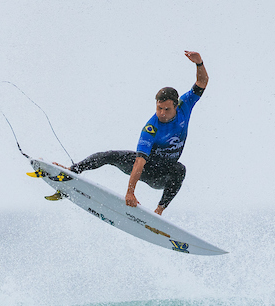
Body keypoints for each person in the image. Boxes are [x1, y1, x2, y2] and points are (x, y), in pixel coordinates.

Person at [60, 51, 208, 216]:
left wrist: (199, 63)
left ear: (176, 105)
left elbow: (202, 82)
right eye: (159, 108)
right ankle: (72, 171)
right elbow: (139, 162)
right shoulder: (150, 129)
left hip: (163, 173)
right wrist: (130, 192)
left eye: (167, 109)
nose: (162, 113)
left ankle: (159, 211)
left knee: (180, 170)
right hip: (146, 168)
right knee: (109, 155)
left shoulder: (185, 105)